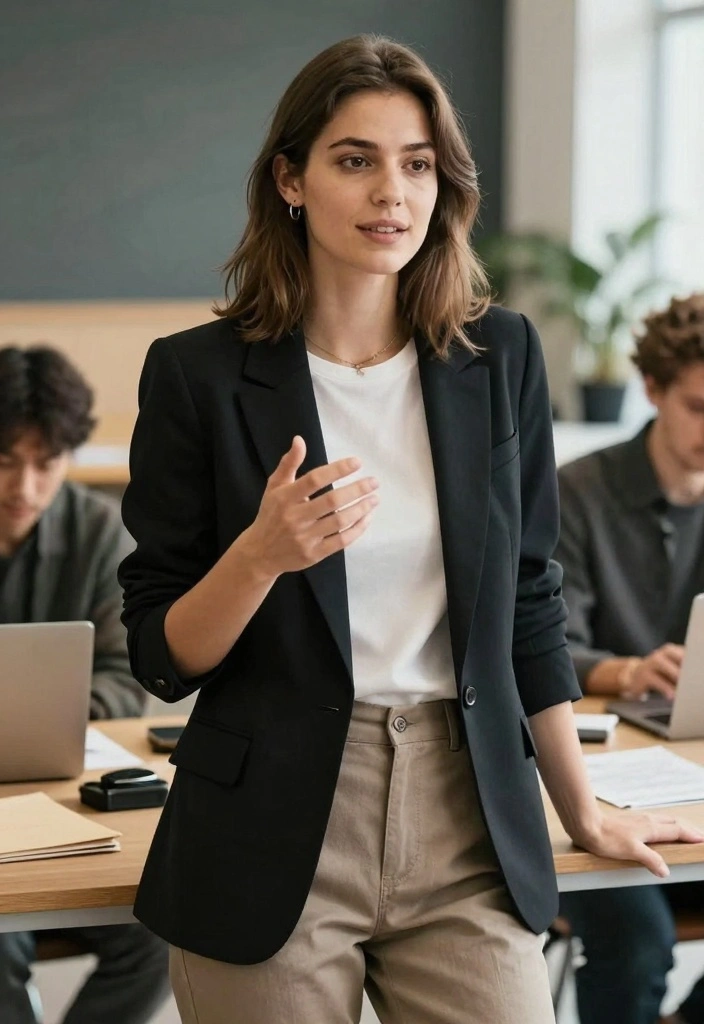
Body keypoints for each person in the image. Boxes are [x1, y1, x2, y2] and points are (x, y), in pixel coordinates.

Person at [118, 36, 702, 1024]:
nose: (391, 190)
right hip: (270, 827)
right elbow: (160, 653)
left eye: (417, 162)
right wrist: (260, 556)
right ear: (290, 180)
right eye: (355, 159)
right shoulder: (198, 376)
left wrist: (580, 809)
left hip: (464, 809)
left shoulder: (497, 355)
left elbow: (527, 601)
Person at [0, 345, 171, 1024]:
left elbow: (126, 674)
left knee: (163, 927)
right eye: (6, 461)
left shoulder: (98, 529)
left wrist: (53, 719)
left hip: (63, 796)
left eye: (46, 464)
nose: (26, 488)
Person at [557, 292, 704, 1024]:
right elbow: (543, 645)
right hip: (594, 794)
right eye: (700, 406)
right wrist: (628, 672)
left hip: (695, 787)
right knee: (639, 945)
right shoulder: (579, 491)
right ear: (652, 390)